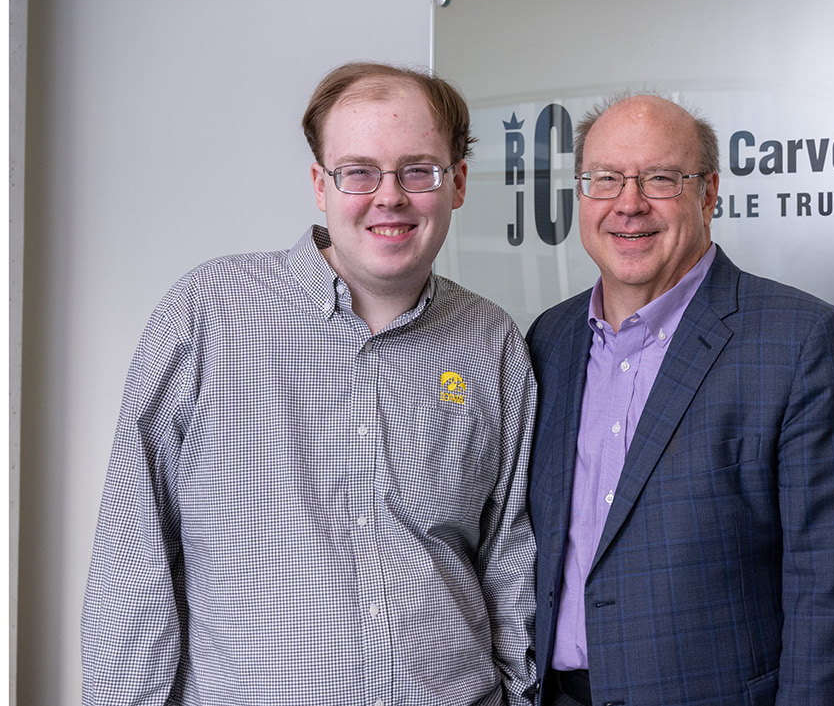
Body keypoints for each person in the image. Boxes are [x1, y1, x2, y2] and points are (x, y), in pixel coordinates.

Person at [81, 62, 538, 706]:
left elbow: (509, 562)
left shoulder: (492, 341)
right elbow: (135, 545)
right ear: (320, 184)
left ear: (457, 182)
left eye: (418, 170)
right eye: (358, 171)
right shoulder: (208, 311)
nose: (390, 196)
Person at [526, 93, 834, 706]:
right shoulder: (548, 340)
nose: (628, 204)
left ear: (709, 193)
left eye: (660, 179)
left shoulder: (801, 340)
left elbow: (830, 590)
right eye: (604, 179)